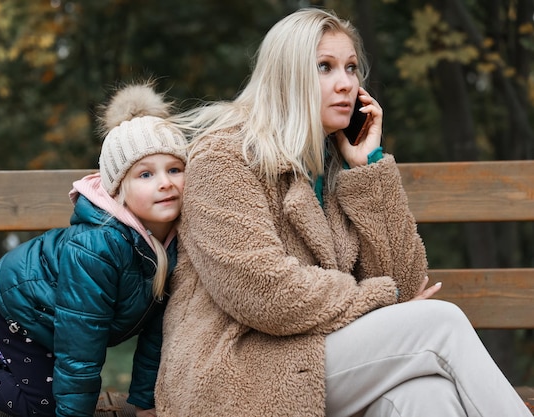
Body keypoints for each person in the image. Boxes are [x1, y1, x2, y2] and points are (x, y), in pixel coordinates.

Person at [155, 8, 532, 417]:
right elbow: (266, 292)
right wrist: (380, 299)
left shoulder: (333, 164)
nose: (346, 84)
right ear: (287, 77)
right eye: (325, 67)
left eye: (351, 68)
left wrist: (368, 168)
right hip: (235, 374)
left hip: (313, 359)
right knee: (442, 323)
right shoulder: (225, 157)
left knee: (426, 394)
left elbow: (406, 285)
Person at [0, 82, 188, 417]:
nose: (165, 182)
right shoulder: (98, 248)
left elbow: (159, 334)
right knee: (45, 408)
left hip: (53, 317)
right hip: (20, 304)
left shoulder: (176, 243)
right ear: (119, 190)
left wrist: (146, 404)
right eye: (146, 174)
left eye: (175, 169)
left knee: (51, 396)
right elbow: (80, 342)